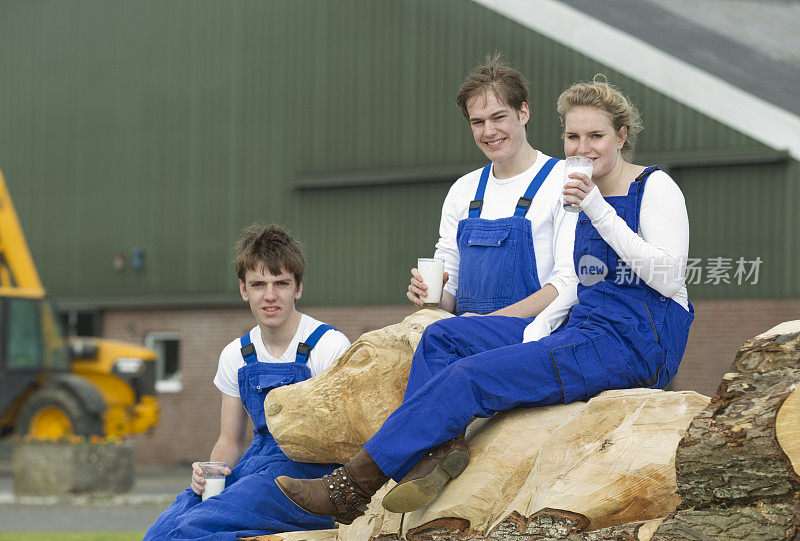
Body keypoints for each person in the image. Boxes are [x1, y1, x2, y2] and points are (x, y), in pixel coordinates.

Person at [275, 75, 693, 524]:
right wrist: (536, 328)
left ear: (622, 136)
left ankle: (353, 486)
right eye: (573, 136)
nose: (582, 147)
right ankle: (434, 457)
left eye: (596, 136)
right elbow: (576, 284)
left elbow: (669, 278)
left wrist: (597, 210)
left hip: (635, 345)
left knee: (469, 377)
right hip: (580, 328)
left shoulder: (652, 187)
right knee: (441, 339)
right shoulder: (579, 193)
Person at [145, 224, 351, 540]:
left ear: (298, 288)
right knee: (162, 529)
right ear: (244, 290)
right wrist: (208, 474)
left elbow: (344, 439)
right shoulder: (236, 355)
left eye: (281, 283)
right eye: (258, 285)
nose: (270, 296)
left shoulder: (329, 346)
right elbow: (230, 440)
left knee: (196, 529)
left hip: (308, 475)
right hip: (255, 466)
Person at [407, 54, 576, 323]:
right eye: (478, 122)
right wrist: (431, 296)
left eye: (498, 117)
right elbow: (449, 287)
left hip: (537, 342)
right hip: (469, 340)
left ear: (523, 112)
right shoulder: (463, 190)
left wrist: (488, 324)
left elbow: (568, 282)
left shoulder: (563, 180)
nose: (489, 131)